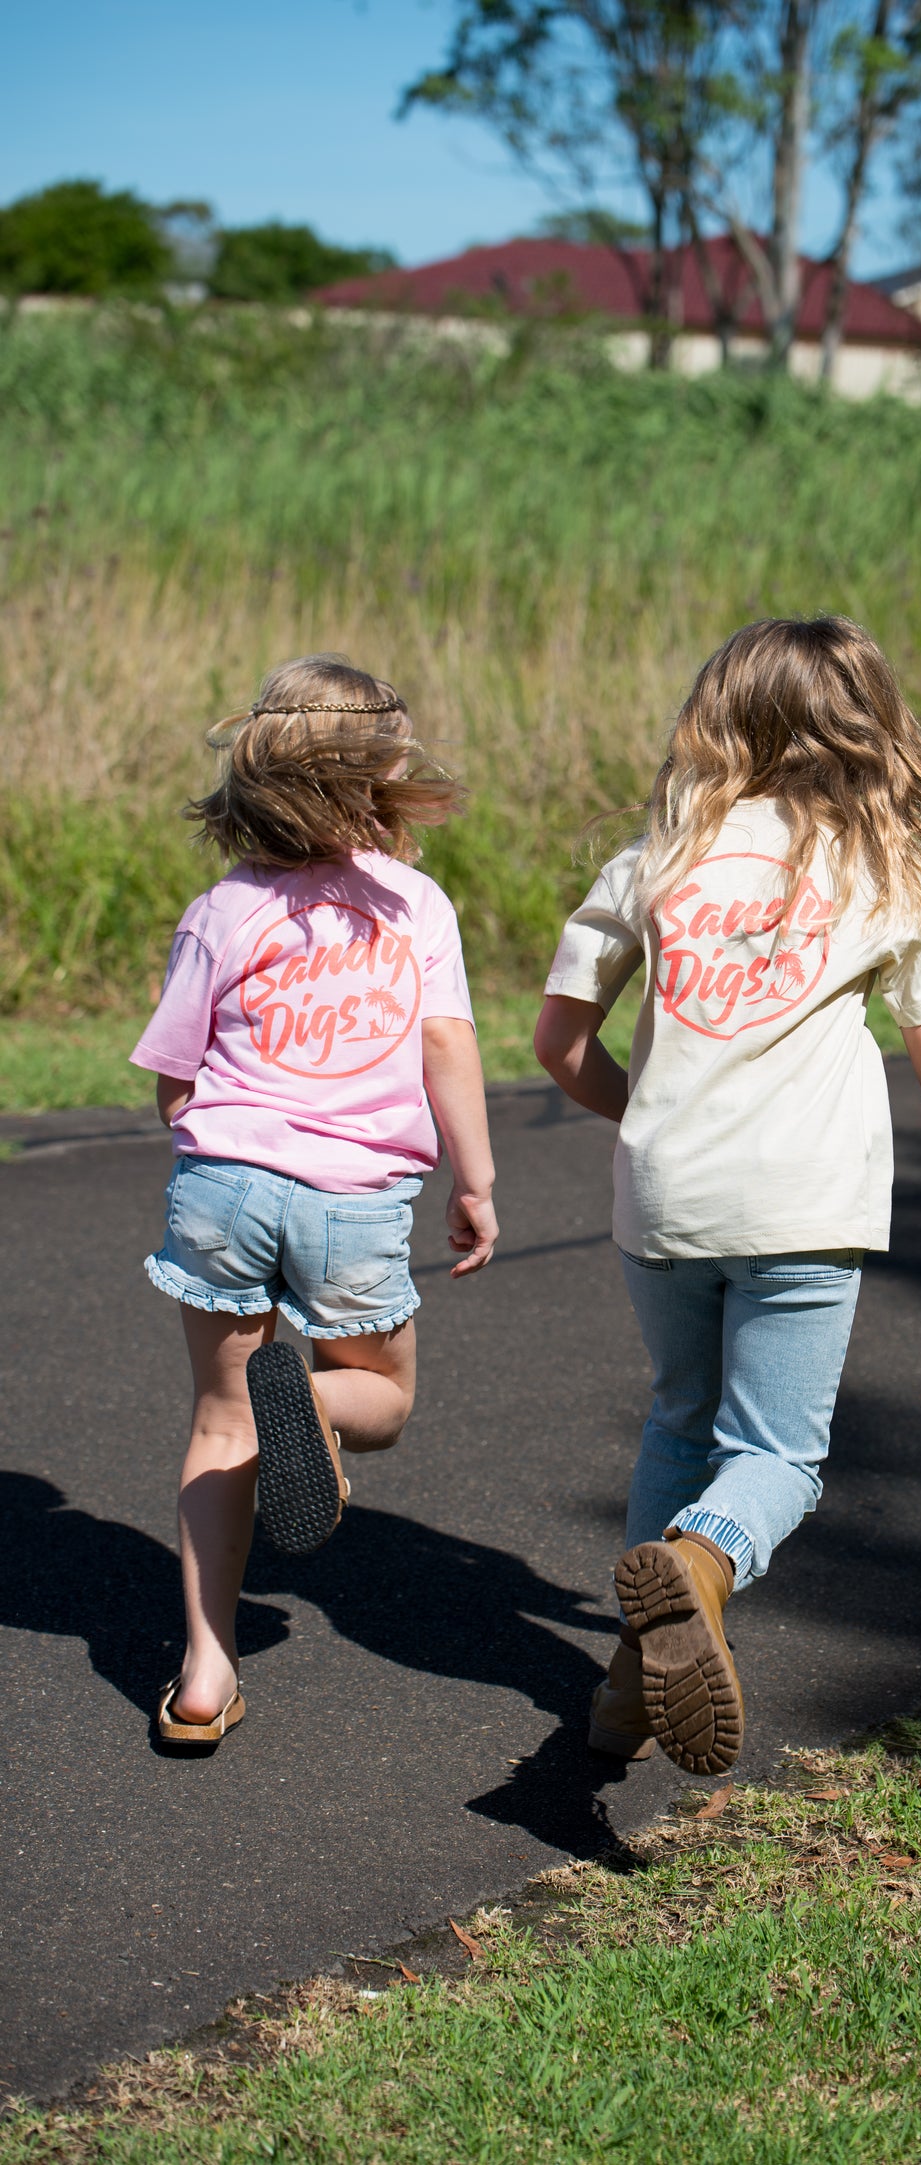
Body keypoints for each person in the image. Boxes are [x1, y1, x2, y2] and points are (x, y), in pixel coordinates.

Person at [534, 616, 921, 1776]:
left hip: (667, 1198)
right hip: (803, 1197)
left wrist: (649, 1115)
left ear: (716, 719)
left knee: (679, 1419)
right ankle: (701, 1561)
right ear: (866, 724)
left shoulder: (656, 857)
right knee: (777, 1457)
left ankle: (625, 1682)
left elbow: (559, 1041)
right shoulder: (889, 866)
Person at [131, 655, 499, 1747]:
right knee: (380, 1395)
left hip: (223, 1187)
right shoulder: (413, 905)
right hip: (352, 1197)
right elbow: (446, 1043)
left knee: (219, 1417)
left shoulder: (222, 909)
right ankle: (319, 1408)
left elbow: (175, 1080)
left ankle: (204, 1675)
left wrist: (220, 1155)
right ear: (381, 776)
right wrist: (474, 1178)